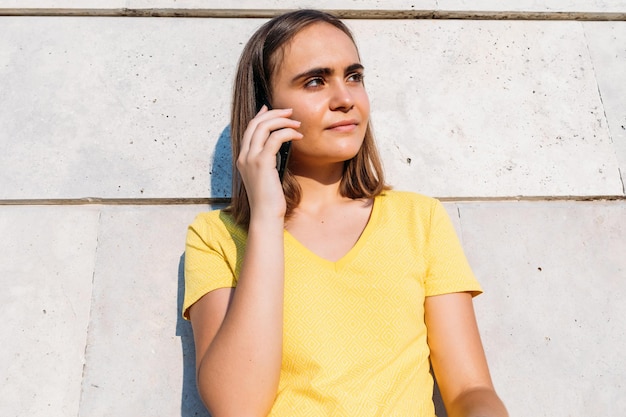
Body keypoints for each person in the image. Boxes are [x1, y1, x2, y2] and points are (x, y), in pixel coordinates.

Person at [183, 9, 508, 417]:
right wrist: (266, 216)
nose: (346, 99)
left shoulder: (418, 219)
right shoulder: (216, 237)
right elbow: (237, 407)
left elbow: (470, 389)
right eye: (316, 81)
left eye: (354, 76)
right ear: (265, 111)